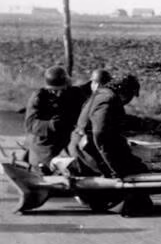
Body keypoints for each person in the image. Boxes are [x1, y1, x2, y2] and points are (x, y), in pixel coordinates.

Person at [69, 74, 152, 216]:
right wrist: (113, 167)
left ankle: (106, 200)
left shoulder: (100, 94)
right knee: (138, 172)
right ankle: (120, 203)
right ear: (126, 92)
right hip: (90, 153)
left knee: (136, 167)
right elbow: (100, 136)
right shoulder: (108, 100)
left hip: (85, 150)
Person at [23, 66, 84, 173]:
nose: (58, 94)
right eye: (54, 91)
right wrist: (51, 124)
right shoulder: (39, 97)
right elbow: (30, 124)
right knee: (45, 169)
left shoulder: (74, 93)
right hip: (45, 145)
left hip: (66, 142)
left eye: (61, 89)